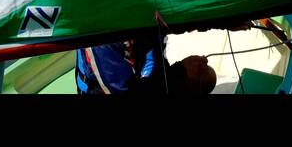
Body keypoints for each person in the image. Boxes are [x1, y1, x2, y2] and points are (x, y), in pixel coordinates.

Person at [76, 29, 218, 95]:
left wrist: (226, 22)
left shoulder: (150, 6)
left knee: (206, 79)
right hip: (107, 90)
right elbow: (124, 91)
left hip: (145, 81)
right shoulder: (101, 38)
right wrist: (180, 71)